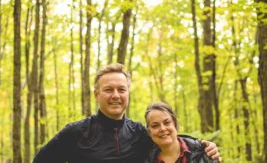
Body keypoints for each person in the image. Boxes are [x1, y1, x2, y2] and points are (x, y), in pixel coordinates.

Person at [33, 63, 220, 163]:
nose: (115, 95)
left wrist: (204, 145)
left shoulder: (139, 133)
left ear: (128, 94)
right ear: (97, 95)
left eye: (121, 90)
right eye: (108, 90)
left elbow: (170, 143)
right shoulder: (76, 132)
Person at [144, 102, 218, 163]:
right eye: (155, 126)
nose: (162, 128)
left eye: (167, 122)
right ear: (149, 132)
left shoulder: (203, 151)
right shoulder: (145, 159)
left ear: (175, 124)